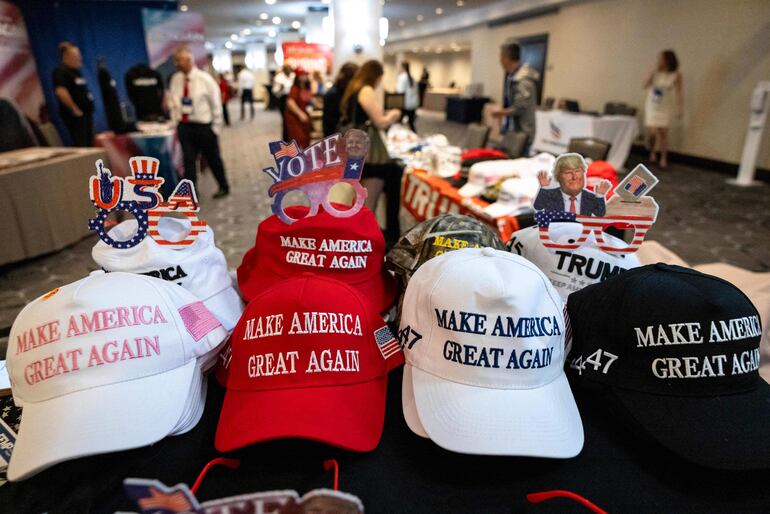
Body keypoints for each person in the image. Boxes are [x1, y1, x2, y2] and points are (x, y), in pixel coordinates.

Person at [340, 60, 402, 244]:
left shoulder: (353, 89)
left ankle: (358, 238)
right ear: (375, 76)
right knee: (368, 204)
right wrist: (394, 114)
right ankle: (363, 242)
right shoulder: (365, 90)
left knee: (361, 198)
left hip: (356, 150)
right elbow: (380, 122)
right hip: (370, 155)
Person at [168, 46, 230, 198]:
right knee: (189, 161)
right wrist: (176, 120)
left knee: (213, 158)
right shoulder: (175, 79)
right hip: (185, 127)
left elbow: (216, 105)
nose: (176, 64)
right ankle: (191, 193)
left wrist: (215, 128)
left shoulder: (205, 79)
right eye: (175, 61)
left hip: (204, 127)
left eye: (179, 61)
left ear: (189, 61)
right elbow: (173, 102)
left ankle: (223, 186)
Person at [490, 41, 540, 147]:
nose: (499, 61)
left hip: (522, 133)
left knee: (518, 162)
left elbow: (520, 108)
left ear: (505, 58)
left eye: (500, 57)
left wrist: (501, 113)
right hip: (512, 131)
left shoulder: (523, 80)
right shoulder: (513, 77)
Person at [534, 153, 610, 216]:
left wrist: (600, 195)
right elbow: (538, 206)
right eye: (568, 172)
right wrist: (544, 188)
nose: (574, 177)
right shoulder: (551, 195)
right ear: (558, 177)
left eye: (577, 171)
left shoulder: (590, 197)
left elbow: (600, 213)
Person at [643, 49, 683, 169]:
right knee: (652, 133)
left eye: (662, 59)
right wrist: (651, 74)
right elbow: (644, 85)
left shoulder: (676, 75)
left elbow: (679, 92)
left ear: (668, 60)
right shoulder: (655, 73)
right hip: (652, 106)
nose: (659, 61)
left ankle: (663, 158)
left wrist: (680, 108)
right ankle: (652, 151)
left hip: (664, 107)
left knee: (664, 133)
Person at [52, 42, 94, 147]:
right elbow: (61, 92)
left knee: (90, 143)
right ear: (66, 57)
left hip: (86, 115)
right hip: (76, 117)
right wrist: (74, 109)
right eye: (76, 56)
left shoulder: (77, 72)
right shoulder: (60, 72)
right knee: (82, 144)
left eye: (79, 55)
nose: (79, 58)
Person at [322, 62, 358, 137]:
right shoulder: (335, 94)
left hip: (335, 136)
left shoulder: (335, 92)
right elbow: (330, 123)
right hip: (336, 136)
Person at [285, 68, 313, 148]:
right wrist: (300, 114)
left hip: (305, 115)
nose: (304, 77)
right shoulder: (294, 88)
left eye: (305, 75)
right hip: (295, 117)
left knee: (306, 137)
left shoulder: (306, 87)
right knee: (298, 137)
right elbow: (290, 102)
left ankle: (304, 156)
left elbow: (309, 99)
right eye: (302, 75)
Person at [273, 64, 295, 140]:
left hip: (293, 98)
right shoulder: (278, 78)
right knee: (285, 120)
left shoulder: (293, 76)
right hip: (283, 99)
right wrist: (280, 89)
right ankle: (286, 138)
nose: (289, 72)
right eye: (287, 70)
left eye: (290, 70)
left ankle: (293, 136)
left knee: (293, 119)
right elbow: (275, 91)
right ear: (284, 70)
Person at [396, 61, 419, 133]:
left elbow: (399, 92)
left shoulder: (402, 77)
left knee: (398, 122)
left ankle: (396, 136)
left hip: (404, 104)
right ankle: (414, 136)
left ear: (402, 67)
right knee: (411, 123)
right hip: (412, 104)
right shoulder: (412, 78)